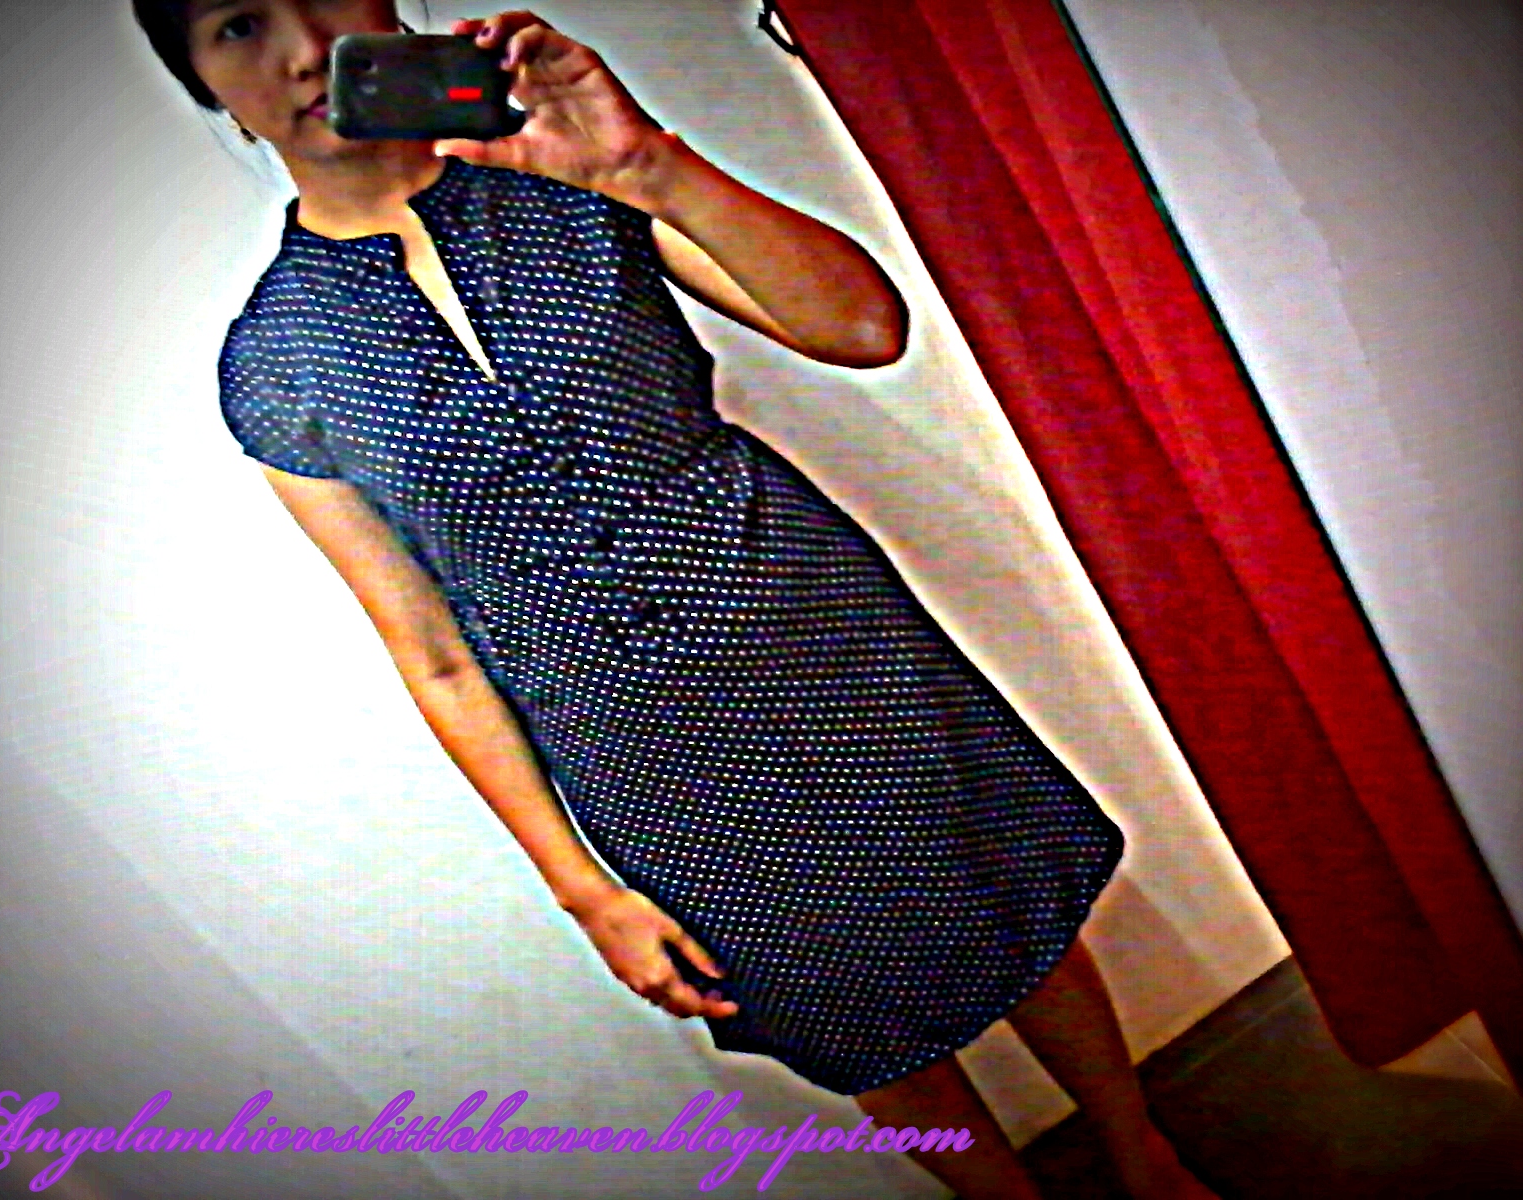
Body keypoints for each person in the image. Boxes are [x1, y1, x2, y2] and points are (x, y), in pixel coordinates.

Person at [132, 2, 1222, 1196]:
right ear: (205, 87)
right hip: (643, 754)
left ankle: (1145, 1154)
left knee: (998, 899)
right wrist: (583, 891)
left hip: (825, 641)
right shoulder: (275, 360)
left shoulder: (565, 174)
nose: (302, 47)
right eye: (239, 25)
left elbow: (861, 328)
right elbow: (430, 649)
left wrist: (647, 165)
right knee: (834, 1010)